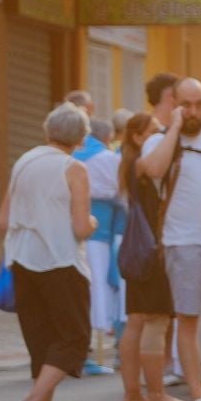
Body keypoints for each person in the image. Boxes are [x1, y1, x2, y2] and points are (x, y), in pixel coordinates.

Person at [136, 78, 201, 401]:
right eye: (185, 105)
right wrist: (175, 127)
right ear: (174, 105)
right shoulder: (160, 141)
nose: (193, 111)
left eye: (198, 104)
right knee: (188, 321)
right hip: (182, 243)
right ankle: (197, 398)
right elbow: (154, 170)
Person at [0, 104, 98, 401]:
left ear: (47, 130)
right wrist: (93, 222)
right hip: (60, 262)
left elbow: (3, 220)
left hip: (22, 261)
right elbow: (81, 227)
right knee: (75, 339)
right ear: (81, 137)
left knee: (41, 342)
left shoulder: (24, 161)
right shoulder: (74, 168)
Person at [114, 114, 184, 401]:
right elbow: (157, 166)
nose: (159, 138)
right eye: (154, 132)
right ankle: (156, 394)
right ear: (138, 137)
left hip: (135, 250)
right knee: (156, 319)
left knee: (136, 320)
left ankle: (133, 394)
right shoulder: (140, 164)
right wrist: (175, 127)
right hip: (150, 250)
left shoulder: (127, 165)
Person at [79, 113, 123, 375]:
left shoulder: (74, 155)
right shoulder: (107, 158)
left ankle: (87, 352)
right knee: (101, 291)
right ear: (107, 136)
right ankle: (95, 353)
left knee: (87, 290)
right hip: (102, 232)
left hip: (78, 234)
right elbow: (120, 192)